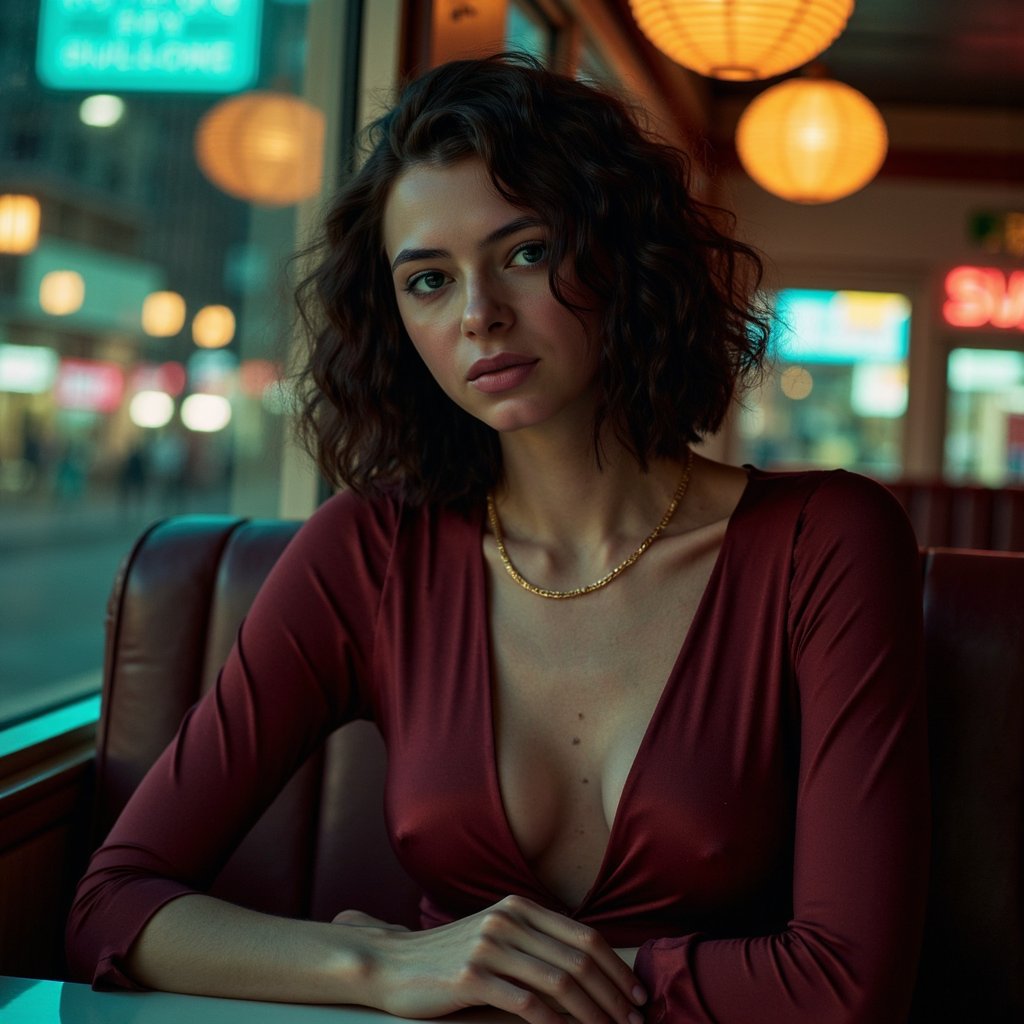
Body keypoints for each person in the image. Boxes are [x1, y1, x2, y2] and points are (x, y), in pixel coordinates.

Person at [67, 54, 929, 1024]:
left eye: (523, 252)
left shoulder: (828, 539)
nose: (478, 315)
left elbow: (849, 984)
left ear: (618, 253)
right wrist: (386, 967)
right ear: (393, 319)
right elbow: (117, 904)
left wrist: (521, 978)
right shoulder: (369, 550)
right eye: (428, 280)